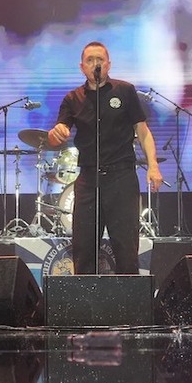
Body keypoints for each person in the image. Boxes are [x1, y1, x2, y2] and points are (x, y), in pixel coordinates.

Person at [46, 41, 163, 274]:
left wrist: (153, 165)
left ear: (108, 64)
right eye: (89, 60)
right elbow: (57, 134)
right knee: (84, 250)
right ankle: (87, 297)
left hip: (121, 178)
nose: (95, 64)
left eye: (99, 59)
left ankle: (128, 296)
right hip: (88, 180)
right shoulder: (73, 99)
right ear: (82, 67)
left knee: (126, 249)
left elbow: (142, 131)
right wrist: (55, 134)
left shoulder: (125, 91)